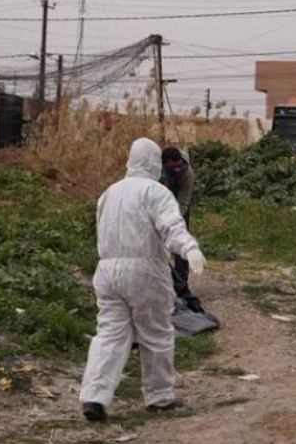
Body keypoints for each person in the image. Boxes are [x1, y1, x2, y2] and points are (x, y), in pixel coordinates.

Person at [79, 138, 206, 421]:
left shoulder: (108, 194)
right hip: (145, 271)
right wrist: (189, 247)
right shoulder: (156, 192)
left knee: (109, 335)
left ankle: (94, 396)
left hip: (108, 272)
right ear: (153, 163)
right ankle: (159, 396)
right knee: (156, 333)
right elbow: (171, 227)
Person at [161, 147, 202, 312]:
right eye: (171, 168)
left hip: (179, 207)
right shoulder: (157, 170)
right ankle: (160, 282)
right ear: (164, 165)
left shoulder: (187, 174)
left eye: (178, 166)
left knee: (180, 242)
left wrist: (174, 221)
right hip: (161, 201)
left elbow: (184, 201)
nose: (176, 170)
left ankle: (181, 284)